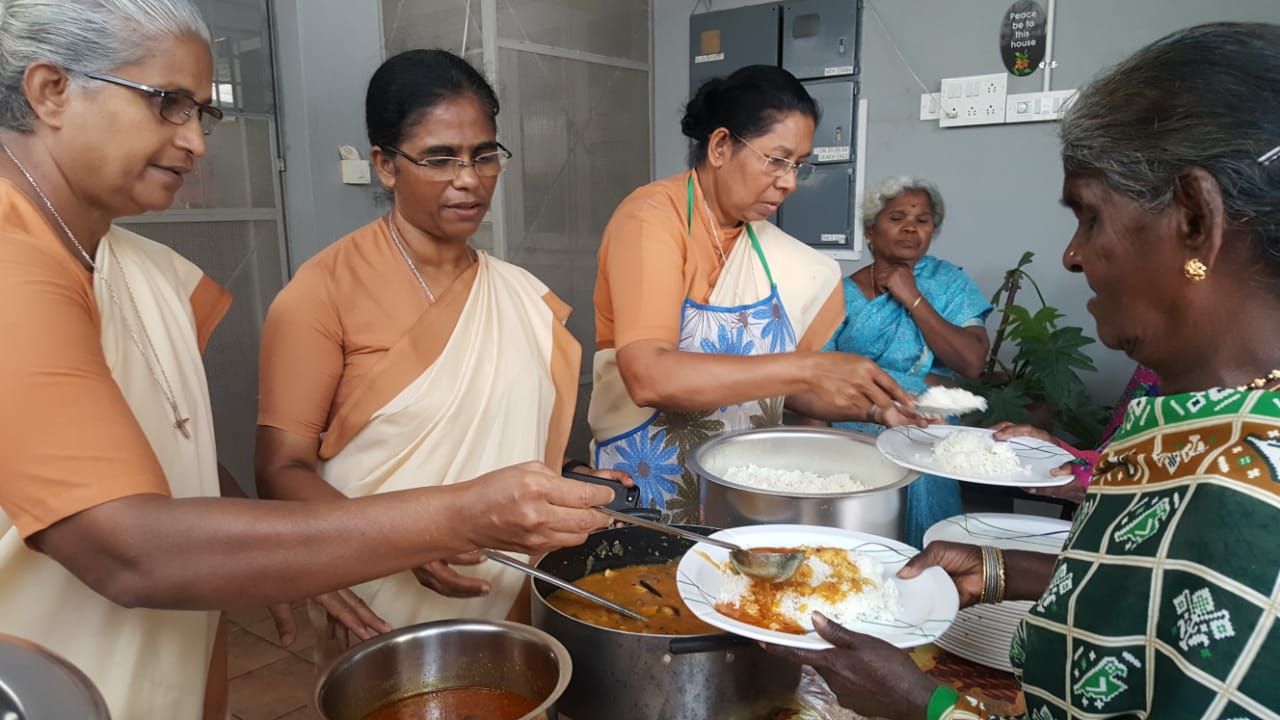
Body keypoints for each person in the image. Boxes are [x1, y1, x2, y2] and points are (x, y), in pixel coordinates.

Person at [0, 4, 616, 718]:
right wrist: (457, 518)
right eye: (169, 104)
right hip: (42, 676)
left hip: (160, 653)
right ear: (50, 91)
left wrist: (271, 559)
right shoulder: (15, 264)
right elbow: (128, 546)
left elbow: (177, 461)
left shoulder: (130, 263)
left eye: (204, 112)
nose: (196, 142)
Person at [764, 22, 1280, 719]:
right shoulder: (1195, 417)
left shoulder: (1250, 505)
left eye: (1090, 218)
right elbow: (1149, 588)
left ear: (1195, 220)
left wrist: (919, 704)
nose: (1071, 256)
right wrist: (1009, 570)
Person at [254, 49, 625, 659]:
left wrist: (568, 482)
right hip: (384, 593)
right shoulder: (322, 293)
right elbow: (280, 469)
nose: (469, 179)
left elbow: (512, 447)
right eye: (439, 158)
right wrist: (408, 539)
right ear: (385, 165)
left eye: (484, 155)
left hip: (512, 584)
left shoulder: (521, 294)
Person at [590, 65, 920, 522]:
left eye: (799, 165)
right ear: (721, 146)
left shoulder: (773, 252)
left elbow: (789, 391)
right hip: (647, 485)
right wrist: (808, 369)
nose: (789, 182)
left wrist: (878, 407)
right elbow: (650, 377)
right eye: (776, 160)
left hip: (742, 487)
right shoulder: (652, 220)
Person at [823, 176, 992, 546]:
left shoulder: (949, 283)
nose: (910, 228)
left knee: (928, 514)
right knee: (861, 537)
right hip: (857, 424)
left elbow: (972, 360)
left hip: (927, 424)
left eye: (923, 220)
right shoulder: (839, 295)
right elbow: (818, 375)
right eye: (897, 217)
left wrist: (912, 296)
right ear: (870, 231)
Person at [995, 364, 1159, 504]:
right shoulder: (1155, 361)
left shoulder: (1176, 368)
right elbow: (1115, 453)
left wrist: (1087, 476)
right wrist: (1051, 450)